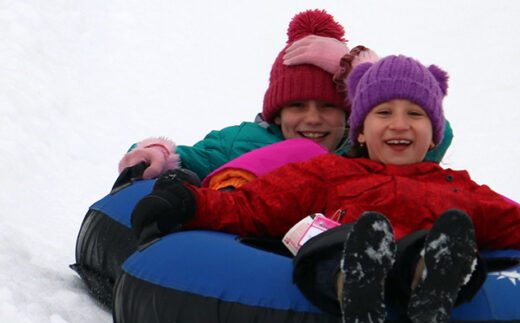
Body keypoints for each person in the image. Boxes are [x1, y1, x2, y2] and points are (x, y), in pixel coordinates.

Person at [129, 55, 520, 323]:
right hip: (341, 251)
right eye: (383, 113)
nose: (399, 124)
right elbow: (253, 208)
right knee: (340, 241)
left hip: (424, 250)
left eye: (415, 115)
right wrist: (189, 202)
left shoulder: (460, 187)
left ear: (434, 135)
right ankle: (355, 279)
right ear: (361, 132)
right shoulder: (325, 172)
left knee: (440, 241)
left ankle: (430, 275)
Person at [113, 9, 454, 190]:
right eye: (297, 106)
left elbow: (434, 135)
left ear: (351, 116)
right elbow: (186, 159)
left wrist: (362, 71)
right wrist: (154, 154)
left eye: (327, 106)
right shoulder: (241, 143)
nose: (312, 118)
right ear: (276, 113)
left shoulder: (363, 148)